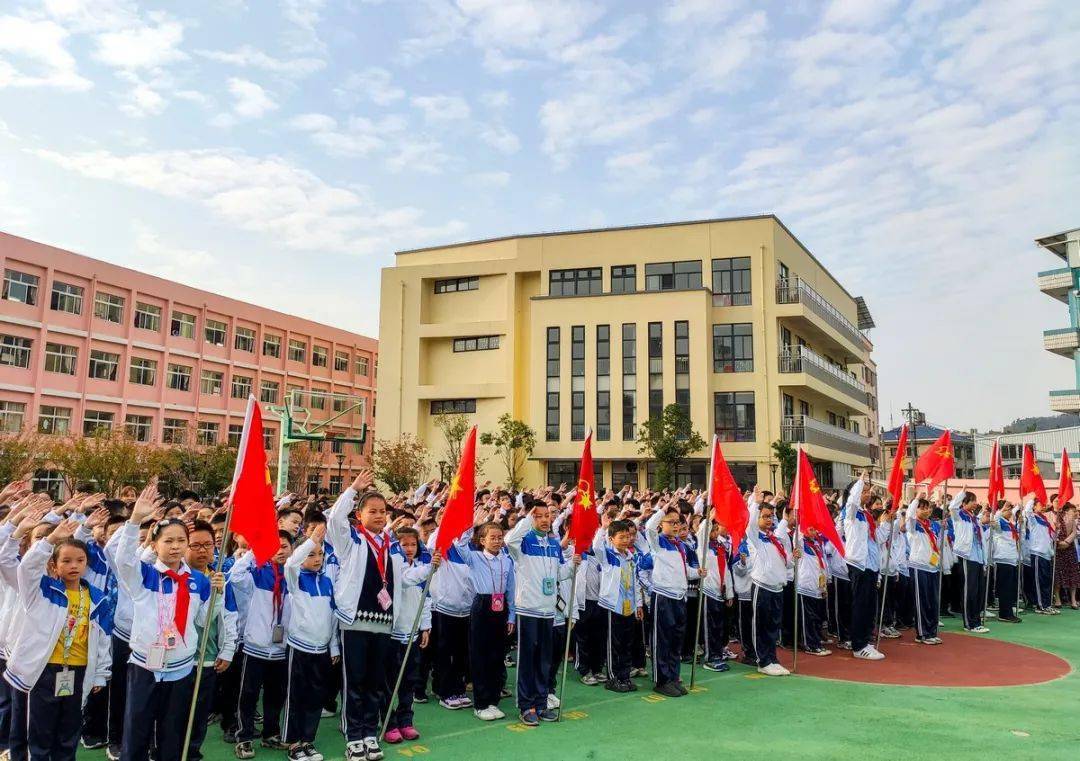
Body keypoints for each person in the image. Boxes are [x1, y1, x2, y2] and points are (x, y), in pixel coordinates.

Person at [114, 480, 225, 761]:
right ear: (155, 544)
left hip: (180, 667)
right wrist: (135, 519)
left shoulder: (197, 580)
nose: (175, 547)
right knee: (136, 730)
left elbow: (202, 619)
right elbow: (123, 560)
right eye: (168, 541)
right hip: (145, 665)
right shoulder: (145, 576)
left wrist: (217, 595)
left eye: (180, 541)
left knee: (172, 733)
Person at [327, 472, 426, 761]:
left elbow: (405, 579)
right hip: (355, 621)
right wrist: (352, 491)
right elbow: (334, 521)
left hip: (383, 624)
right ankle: (353, 736)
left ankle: (370, 733)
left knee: (374, 682)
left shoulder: (391, 546)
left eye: (383, 512)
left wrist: (430, 567)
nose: (380, 516)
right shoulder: (352, 541)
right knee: (355, 681)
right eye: (373, 511)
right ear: (360, 514)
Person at [5, 519, 111, 761]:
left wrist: (101, 673)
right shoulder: (42, 590)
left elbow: (102, 637)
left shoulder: (97, 598)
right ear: (53, 565)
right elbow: (26, 568)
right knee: (40, 732)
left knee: (69, 731)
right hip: (44, 671)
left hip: (78, 670)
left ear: (87, 564)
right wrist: (50, 540)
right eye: (66, 560)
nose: (74, 565)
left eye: (80, 560)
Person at [505, 504, 575, 726]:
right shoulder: (523, 543)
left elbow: (559, 574)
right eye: (539, 516)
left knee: (544, 660)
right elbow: (508, 541)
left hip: (548, 611)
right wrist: (527, 517)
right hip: (528, 609)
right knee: (528, 659)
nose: (545, 520)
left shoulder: (554, 544)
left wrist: (574, 564)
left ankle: (541, 703)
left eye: (548, 516)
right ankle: (527, 706)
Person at [230, 531, 294, 758]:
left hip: (281, 648)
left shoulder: (293, 576)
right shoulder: (257, 573)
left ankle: (271, 734)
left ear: (292, 550)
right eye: (274, 546)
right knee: (248, 694)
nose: (280, 551)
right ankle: (244, 737)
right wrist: (254, 551)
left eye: (284, 546)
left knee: (276, 695)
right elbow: (234, 577)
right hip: (255, 646)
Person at [282, 523, 337, 761]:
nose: (317, 559)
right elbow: (290, 563)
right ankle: (293, 742)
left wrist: (333, 646)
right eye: (312, 555)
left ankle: (308, 740)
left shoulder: (327, 582)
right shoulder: (295, 579)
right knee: (297, 695)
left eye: (320, 554)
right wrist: (311, 541)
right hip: (299, 647)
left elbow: (333, 618)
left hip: (321, 649)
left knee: (316, 697)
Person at [185, 520, 238, 761]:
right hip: (177, 661)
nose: (203, 550)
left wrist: (227, 650)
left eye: (208, 544)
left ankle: (193, 752)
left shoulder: (219, 578)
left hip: (207, 660)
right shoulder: (176, 577)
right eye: (195, 545)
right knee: (172, 715)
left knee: (198, 716)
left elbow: (229, 616)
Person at [451, 520, 514, 721]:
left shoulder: (507, 560)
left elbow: (511, 590)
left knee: (497, 656)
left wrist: (511, 615)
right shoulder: (475, 558)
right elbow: (459, 545)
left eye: (499, 538)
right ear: (482, 540)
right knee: (480, 656)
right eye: (492, 538)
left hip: (501, 605)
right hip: (482, 606)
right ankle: (481, 703)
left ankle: (493, 700)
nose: (496, 541)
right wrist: (469, 525)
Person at [643, 506, 702, 696]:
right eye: (672, 522)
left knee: (676, 639)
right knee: (663, 640)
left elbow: (683, 569)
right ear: (662, 524)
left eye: (678, 522)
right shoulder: (658, 542)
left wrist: (697, 573)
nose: (676, 526)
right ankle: (662, 680)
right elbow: (649, 528)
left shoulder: (680, 545)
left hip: (679, 597)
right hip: (663, 597)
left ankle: (673, 676)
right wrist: (662, 510)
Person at [384, 524, 436, 739]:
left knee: (409, 681)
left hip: (412, 633)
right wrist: (430, 567)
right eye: (404, 544)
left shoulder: (422, 566)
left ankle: (406, 720)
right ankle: (389, 722)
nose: (409, 548)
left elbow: (425, 599)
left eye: (413, 544)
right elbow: (406, 580)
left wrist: (425, 626)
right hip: (393, 634)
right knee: (389, 681)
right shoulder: (393, 566)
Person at [746, 486, 794, 676]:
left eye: (771, 516)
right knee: (762, 624)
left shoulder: (774, 539)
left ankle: (772, 657)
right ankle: (762, 660)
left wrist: (793, 557)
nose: (769, 520)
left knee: (774, 625)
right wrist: (755, 504)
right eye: (765, 516)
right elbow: (749, 525)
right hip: (762, 586)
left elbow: (786, 564)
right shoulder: (755, 538)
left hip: (777, 587)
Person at [593, 517, 644, 691]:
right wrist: (603, 528)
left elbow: (636, 583)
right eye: (621, 537)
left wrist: (639, 605)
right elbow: (596, 547)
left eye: (627, 537)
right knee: (614, 644)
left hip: (628, 607)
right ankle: (613, 678)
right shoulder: (608, 555)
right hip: (612, 606)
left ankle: (625, 676)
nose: (625, 540)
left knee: (627, 643)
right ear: (611, 538)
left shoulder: (631, 557)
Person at [841, 472, 885, 660]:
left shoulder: (866, 515)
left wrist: (888, 524)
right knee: (860, 605)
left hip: (871, 565)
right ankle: (858, 645)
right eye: (864, 491)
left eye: (868, 490)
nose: (867, 494)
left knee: (869, 605)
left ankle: (866, 641)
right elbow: (851, 502)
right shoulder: (850, 512)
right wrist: (859, 482)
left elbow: (876, 540)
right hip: (858, 564)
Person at [948, 490, 990, 633]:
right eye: (973, 500)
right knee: (969, 590)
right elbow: (952, 507)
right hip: (967, 555)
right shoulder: (959, 515)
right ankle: (969, 623)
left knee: (978, 590)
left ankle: (976, 620)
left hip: (978, 556)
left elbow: (982, 538)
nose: (975, 503)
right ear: (965, 503)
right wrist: (961, 493)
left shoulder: (974, 518)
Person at [905, 491, 943, 644]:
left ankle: (932, 631)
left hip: (932, 566)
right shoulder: (913, 525)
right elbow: (909, 516)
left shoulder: (932, 525)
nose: (926, 511)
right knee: (922, 600)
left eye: (928, 508)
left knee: (933, 601)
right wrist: (915, 500)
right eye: (922, 508)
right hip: (919, 566)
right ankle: (922, 633)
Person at [699, 521, 734, 672]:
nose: (714, 532)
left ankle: (717, 654)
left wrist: (730, 593)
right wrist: (710, 515)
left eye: (715, 529)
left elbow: (726, 570)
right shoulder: (703, 547)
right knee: (710, 627)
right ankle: (710, 658)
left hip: (720, 592)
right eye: (711, 530)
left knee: (719, 627)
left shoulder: (719, 547)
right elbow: (702, 531)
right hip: (709, 591)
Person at [794, 527, 831, 656]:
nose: (814, 532)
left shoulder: (816, 545)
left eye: (815, 530)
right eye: (810, 529)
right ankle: (808, 644)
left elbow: (822, 565)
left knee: (815, 618)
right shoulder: (801, 544)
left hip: (816, 587)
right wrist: (801, 524)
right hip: (805, 587)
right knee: (807, 618)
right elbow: (797, 536)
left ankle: (816, 642)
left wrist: (824, 586)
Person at [1023, 497, 1058, 614]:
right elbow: (1027, 511)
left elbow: (1052, 537)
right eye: (1040, 504)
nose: (1043, 506)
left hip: (1046, 554)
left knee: (1046, 581)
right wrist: (1032, 499)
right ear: (1034, 506)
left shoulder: (1045, 520)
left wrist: (1056, 529)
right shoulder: (1033, 518)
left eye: (1043, 504)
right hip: (1037, 553)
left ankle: (1047, 604)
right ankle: (1040, 605)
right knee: (1039, 581)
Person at [991, 501, 1022, 623]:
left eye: (1010, 509)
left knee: (1010, 588)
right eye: (1007, 509)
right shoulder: (998, 523)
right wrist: (1001, 509)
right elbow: (995, 518)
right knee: (1004, 588)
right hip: (1003, 558)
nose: (1010, 511)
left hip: (1011, 559)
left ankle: (1009, 612)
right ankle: (1004, 613)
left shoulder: (1010, 523)